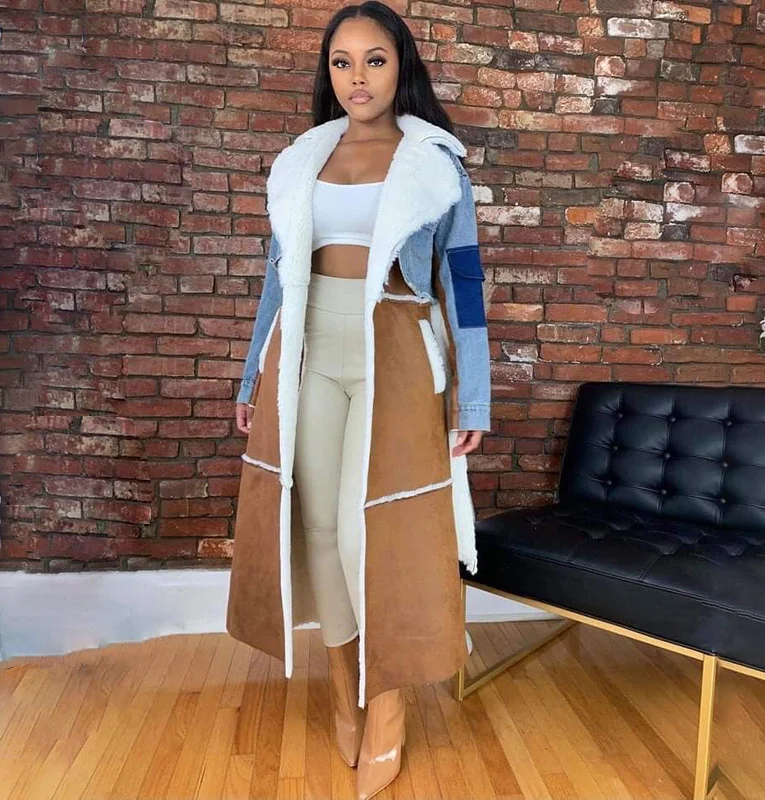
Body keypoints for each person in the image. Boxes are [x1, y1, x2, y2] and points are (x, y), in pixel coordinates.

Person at [225, 3, 491, 797]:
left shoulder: (435, 162)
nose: (357, 78)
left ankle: (390, 710)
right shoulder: (301, 159)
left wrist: (473, 397)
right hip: (307, 350)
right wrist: (251, 376)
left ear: (400, 64)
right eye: (341, 62)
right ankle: (345, 690)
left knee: (366, 535)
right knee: (316, 528)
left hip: (395, 351)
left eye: (374, 60)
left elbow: (464, 285)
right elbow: (278, 280)